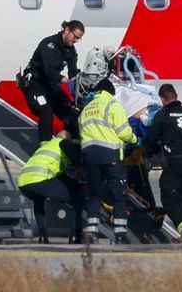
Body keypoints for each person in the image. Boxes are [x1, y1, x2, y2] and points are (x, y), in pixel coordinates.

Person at [79, 78, 137, 244]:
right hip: (110, 155)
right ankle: (119, 234)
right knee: (118, 194)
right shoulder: (113, 105)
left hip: (90, 156)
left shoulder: (87, 108)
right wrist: (134, 139)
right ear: (111, 92)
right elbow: (123, 131)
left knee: (93, 195)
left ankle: (91, 232)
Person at [146, 83, 182, 240]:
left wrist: (150, 152)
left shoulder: (162, 115)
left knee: (168, 198)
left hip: (174, 162)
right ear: (176, 96)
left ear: (163, 99)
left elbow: (152, 140)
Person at [19, 20, 84, 142]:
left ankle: (72, 146)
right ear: (67, 30)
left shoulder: (71, 51)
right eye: (75, 36)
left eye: (78, 39)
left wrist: (77, 80)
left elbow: (73, 71)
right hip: (35, 82)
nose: (75, 40)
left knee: (71, 111)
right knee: (46, 111)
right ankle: (45, 146)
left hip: (50, 85)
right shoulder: (49, 44)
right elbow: (48, 70)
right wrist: (65, 80)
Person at [17, 130, 84, 244]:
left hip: (24, 182)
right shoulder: (63, 143)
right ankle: (75, 236)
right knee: (76, 198)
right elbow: (77, 160)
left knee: (38, 200)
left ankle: (42, 236)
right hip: (40, 180)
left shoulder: (47, 146)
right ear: (67, 139)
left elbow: (59, 173)